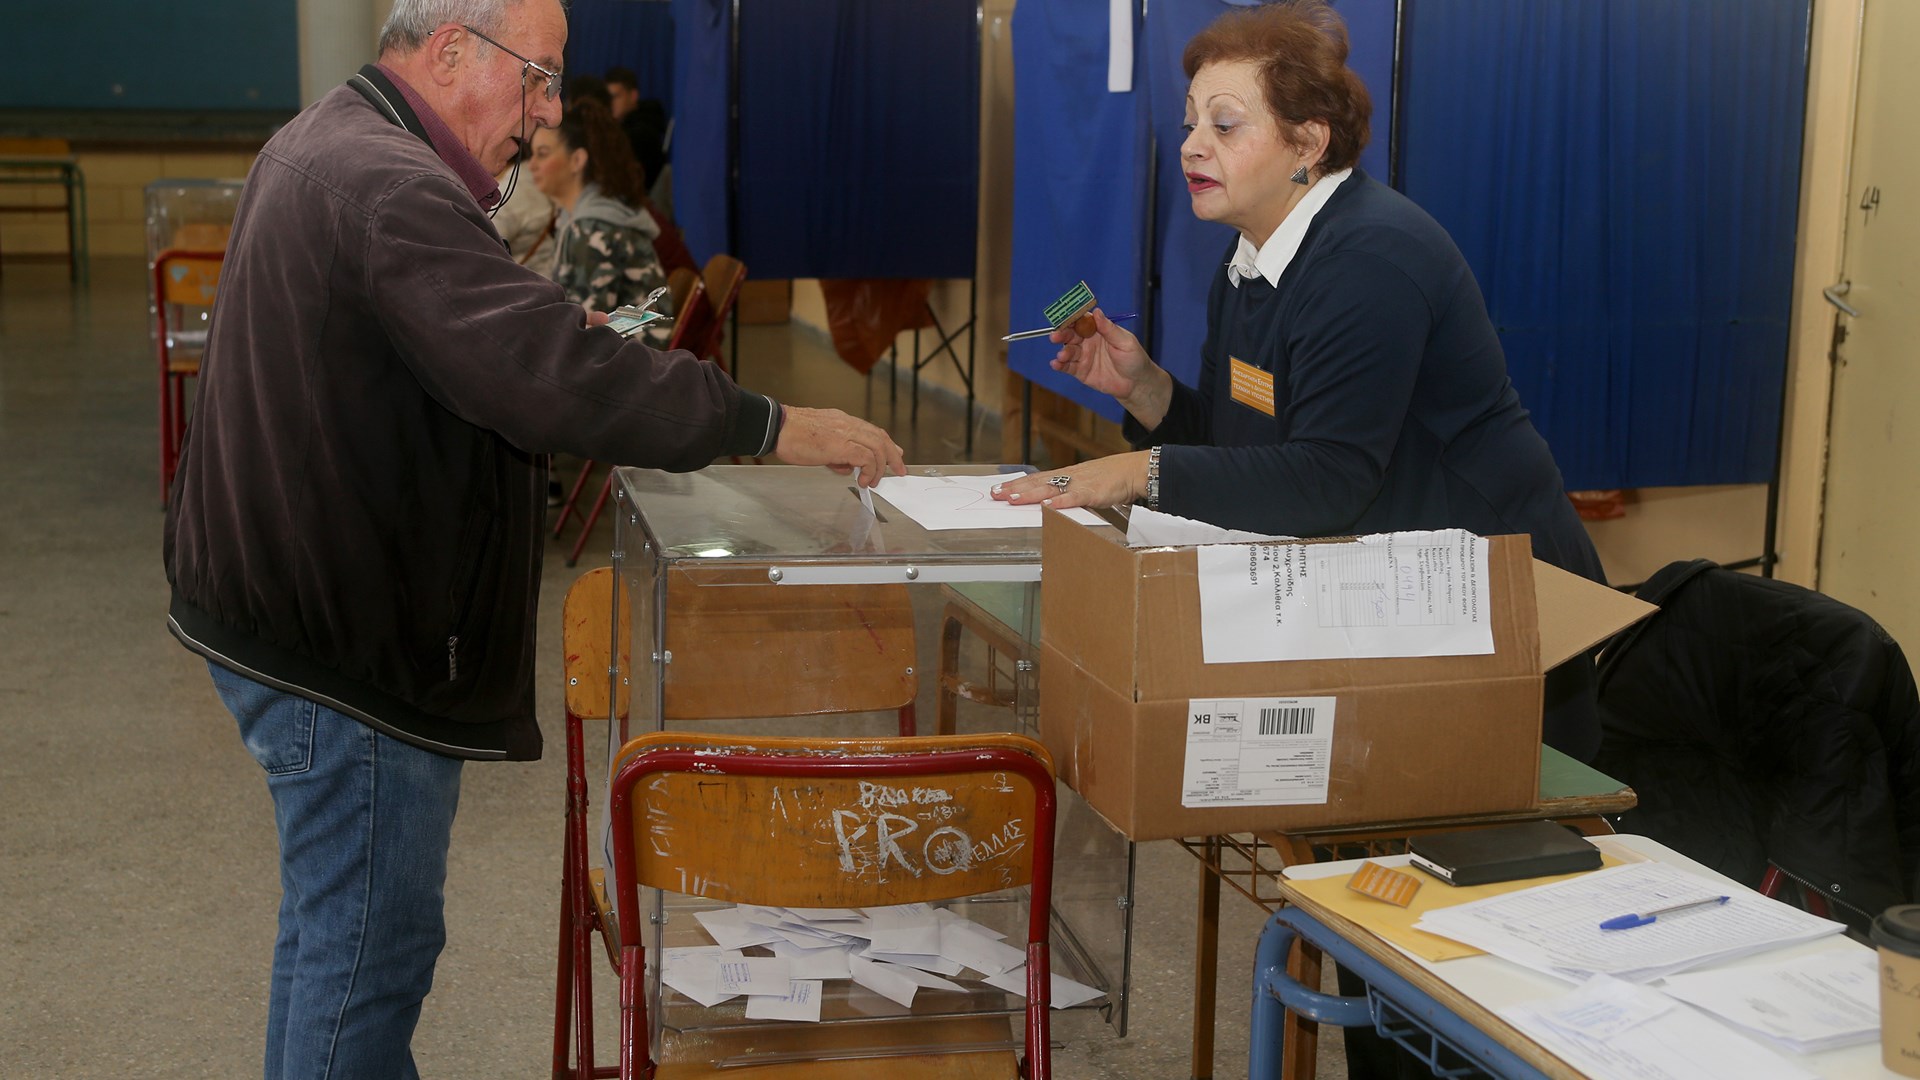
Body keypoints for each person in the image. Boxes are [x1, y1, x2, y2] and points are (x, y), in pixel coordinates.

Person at [161, 1, 904, 1076]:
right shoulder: (390, 184)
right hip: (344, 648)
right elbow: (545, 376)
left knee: (336, 933)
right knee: (370, 951)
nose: (548, 111)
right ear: (453, 49)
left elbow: (474, 340)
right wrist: (771, 423)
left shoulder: (337, 139)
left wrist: (554, 336)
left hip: (287, 603)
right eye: (539, 77)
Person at [991, 5, 1599, 1074]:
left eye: (1225, 125)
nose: (1191, 146)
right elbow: (1244, 454)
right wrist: (1142, 392)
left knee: (1454, 960)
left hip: (1509, 633)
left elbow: (1325, 479)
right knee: (1378, 929)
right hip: (1391, 614)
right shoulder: (1251, 261)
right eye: (1190, 122)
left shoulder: (1372, 258)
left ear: (1308, 142)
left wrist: (1136, 471)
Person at [529, 98, 669, 341]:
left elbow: (584, 333)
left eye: (542, 154)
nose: (532, 165)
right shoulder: (586, 217)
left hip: (636, 362)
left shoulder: (592, 228)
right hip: (634, 354)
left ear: (577, 161)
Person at [491, 145, 558, 278]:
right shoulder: (528, 179)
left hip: (529, 286)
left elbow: (482, 248)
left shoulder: (513, 191)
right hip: (545, 280)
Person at [605, 65, 669, 195]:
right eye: (608, 98)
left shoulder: (643, 133)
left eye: (616, 96)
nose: (611, 103)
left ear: (633, 95)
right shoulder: (617, 127)